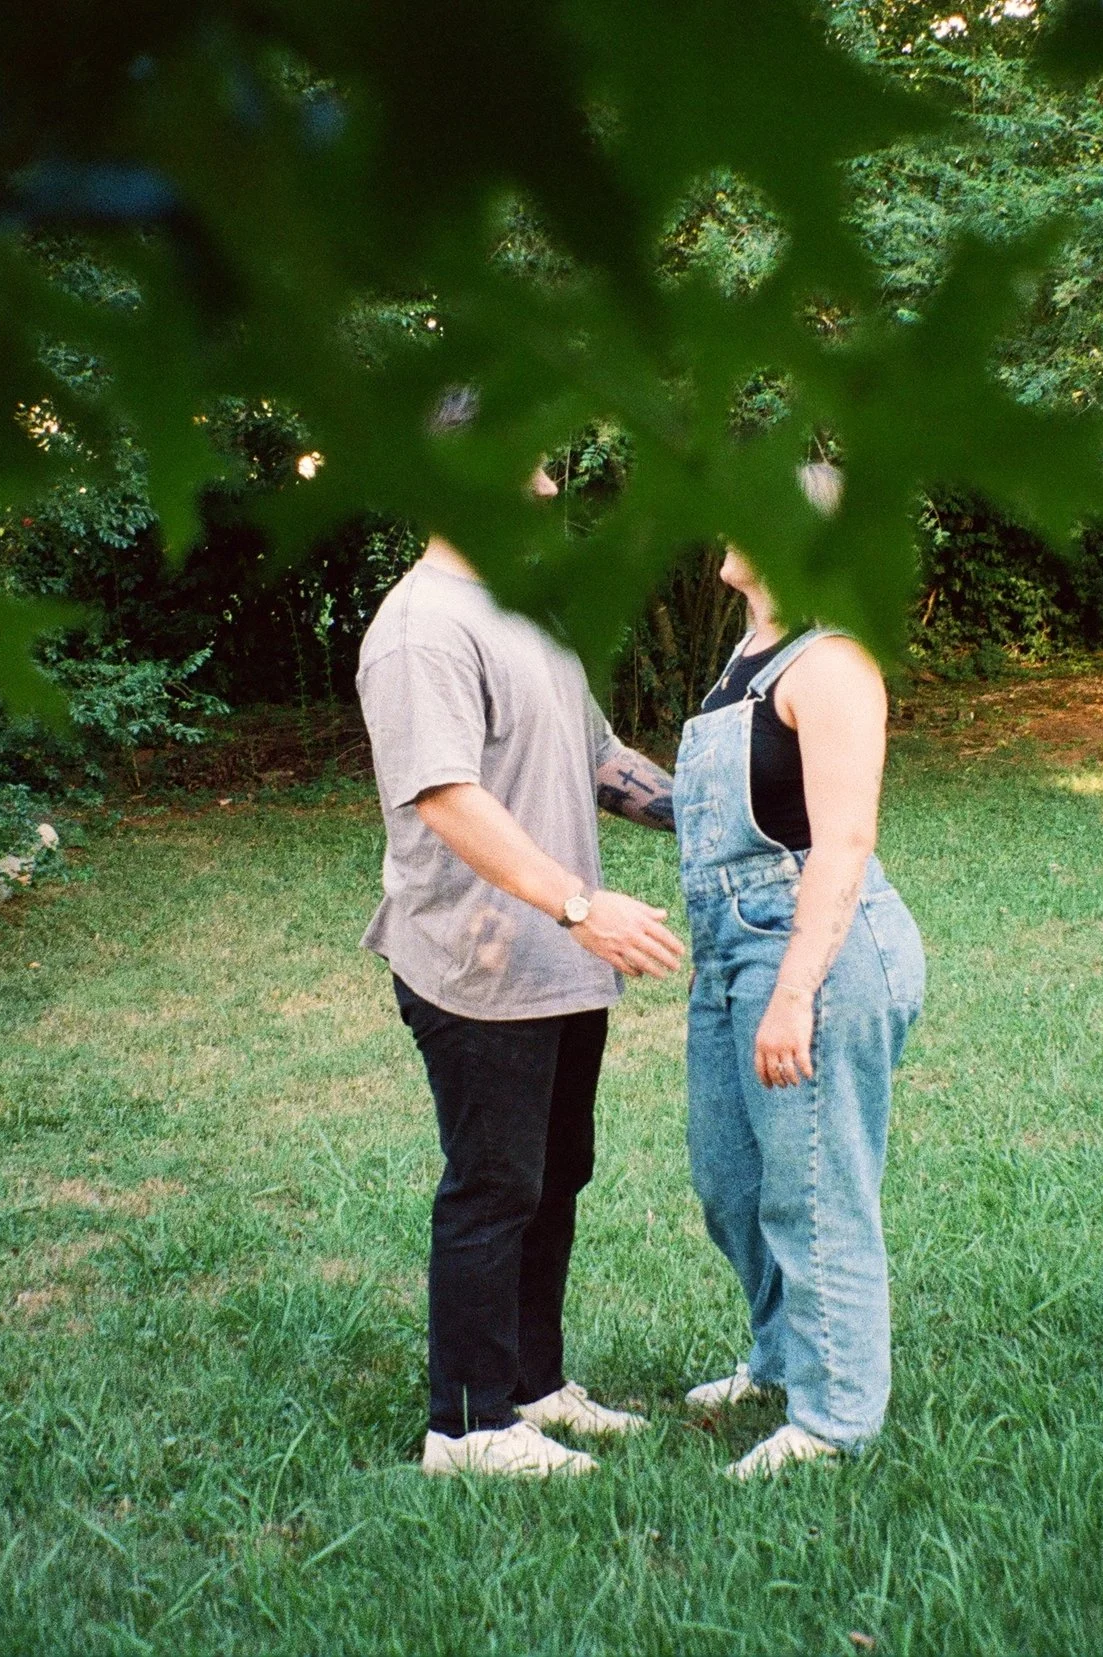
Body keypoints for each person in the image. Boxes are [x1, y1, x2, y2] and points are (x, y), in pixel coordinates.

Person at [357, 530, 684, 1478]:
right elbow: (446, 796)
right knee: (494, 1184)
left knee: (554, 1172)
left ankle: (533, 1386)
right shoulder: (421, 627)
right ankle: (466, 1428)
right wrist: (581, 904)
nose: (544, 490)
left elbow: (598, 755)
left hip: (561, 955)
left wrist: (722, 812)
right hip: (480, 963)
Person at [677, 544, 926, 1480]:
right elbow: (716, 806)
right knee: (730, 1178)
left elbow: (844, 838)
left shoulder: (833, 662)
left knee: (817, 1188)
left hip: (814, 947)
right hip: (727, 949)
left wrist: (795, 990)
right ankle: (784, 1359)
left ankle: (835, 1422)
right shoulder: (748, 658)